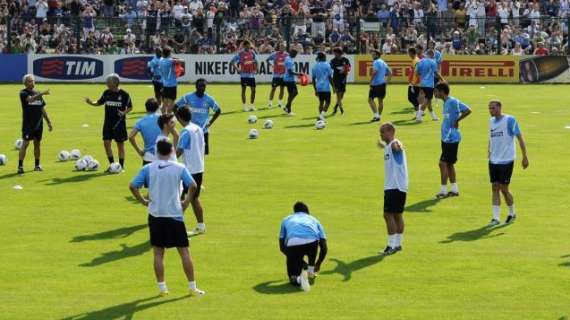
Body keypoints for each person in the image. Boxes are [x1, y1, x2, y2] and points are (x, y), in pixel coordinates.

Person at [129, 139, 205, 297]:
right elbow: (193, 186)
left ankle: (162, 288)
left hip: (156, 215)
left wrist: (143, 201)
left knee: (158, 253)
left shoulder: (148, 168)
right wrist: (185, 202)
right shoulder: (179, 168)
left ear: (157, 152)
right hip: (175, 215)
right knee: (184, 252)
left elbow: (132, 186)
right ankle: (192, 287)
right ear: (171, 151)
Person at [487, 100, 529, 226]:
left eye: (493, 108)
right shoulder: (491, 122)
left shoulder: (510, 120)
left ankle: (512, 213)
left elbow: (520, 137)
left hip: (506, 160)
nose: (491, 110)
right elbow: (491, 138)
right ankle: (495, 218)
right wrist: (488, 152)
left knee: (504, 189)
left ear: (500, 108)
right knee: (494, 187)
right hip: (493, 160)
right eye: (489, 108)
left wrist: (525, 156)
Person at [85, 73, 132, 171]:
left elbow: (130, 107)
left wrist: (123, 112)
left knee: (120, 145)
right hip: (107, 123)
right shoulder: (106, 93)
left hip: (119, 124)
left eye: (108, 82)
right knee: (106, 143)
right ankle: (112, 165)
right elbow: (99, 102)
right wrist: (91, 103)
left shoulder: (124, 94)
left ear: (114, 83)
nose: (106, 83)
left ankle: (121, 166)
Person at [433, 82, 472, 199]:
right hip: (446, 138)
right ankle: (454, 190)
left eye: (436, 91)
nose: (435, 93)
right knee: (449, 164)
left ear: (442, 91)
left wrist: (457, 120)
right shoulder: (446, 102)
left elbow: (468, 110)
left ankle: (443, 191)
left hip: (451, 138)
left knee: (442, 163)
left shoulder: (452, 102)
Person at [279, 201, 328, 292]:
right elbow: (323, 246)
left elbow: (282, 247)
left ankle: (298, 279)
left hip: (293, 243)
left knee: (292, 276)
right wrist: (318, 263)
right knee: (313, 245)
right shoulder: (314, 219)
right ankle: (311, 271)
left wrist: (299, 261)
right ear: (307, 211)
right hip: (312, 243)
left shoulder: (286, 219)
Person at [175, 107, 206, 235]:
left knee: (183, 198)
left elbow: (179, 150)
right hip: (199, 167)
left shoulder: (186, 131)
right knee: (194, 198)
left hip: (189, 170)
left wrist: (167, 161)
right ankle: (201, 225)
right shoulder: (198, 128)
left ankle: (175, 227)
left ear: (179, 118)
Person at [378, 123, 408, 255]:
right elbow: (390, 147)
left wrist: (399, 146)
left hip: (394, 186)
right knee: (397, 215)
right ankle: (398, 244)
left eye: (382, 132)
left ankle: (391, 245)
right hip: (398, 186)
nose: (380, 135)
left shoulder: (395, 143)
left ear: (390, 132)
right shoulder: (388, 145)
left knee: (387, 215)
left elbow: (397, 147)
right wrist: (382, 145)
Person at [174, 79, 221, 155]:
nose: (202, 88)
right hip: (191, 131)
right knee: (190, 152)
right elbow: (175, 107)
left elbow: (218, 111)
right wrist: (180, 121)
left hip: (203, 131)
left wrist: (210, 123)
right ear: (196, 86)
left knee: (203, 153)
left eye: (204, 86)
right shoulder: (188, 97)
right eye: (200, 86)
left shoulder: (209, 99)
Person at [18, 74, 53, 174]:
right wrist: (42, 93)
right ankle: (20, 166)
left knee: (37, 144)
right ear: (25, 83)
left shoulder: (37, 93)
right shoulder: (23, 93)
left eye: (33, 80)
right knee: (25, 143)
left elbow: (42, 109)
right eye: (29, 81)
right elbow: (30, 99)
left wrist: (49, 122)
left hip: (38, 124)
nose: (32, 82)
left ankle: (37, 165)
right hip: (28, 125)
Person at [129, 98, 161, 166]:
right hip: (164, 156)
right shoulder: (163, 119)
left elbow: (131, 136)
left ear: (146, 108)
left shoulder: (141, 121)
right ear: (157, 107)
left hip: (148, 157)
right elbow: (176, 135)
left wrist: (139, 151)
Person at [230, 40, 258, 112]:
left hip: (251, 75)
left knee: (253, 91)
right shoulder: (240, 54)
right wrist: (237, 69)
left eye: (250, 45)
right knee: (243, 91)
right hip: (244, 75)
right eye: (247, 45)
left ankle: (252, 106)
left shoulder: (252, 53)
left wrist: (256, 69)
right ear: (244, 46)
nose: (249, 47)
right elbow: (232, 61)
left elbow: (256, 61)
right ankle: (244, 106)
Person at [415, 49, 441, 122]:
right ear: (432, 55)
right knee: (427, 100)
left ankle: (434, 116)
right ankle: (419, 116)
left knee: (429, 101)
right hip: (429, 84)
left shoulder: (420, 61)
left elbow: (417, 73)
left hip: (422, 84)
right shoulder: (433, 62)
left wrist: (422, 77)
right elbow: (436, 73)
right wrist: (443, 79)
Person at [368, 49, 391, 122]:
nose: (372, 55)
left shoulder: (376, 62)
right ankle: (379, 116)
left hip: (376, 84)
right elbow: (390, 72)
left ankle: (376, 115)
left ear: (377, 55)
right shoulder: (383, 62)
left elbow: (374, 72)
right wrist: (387, 82)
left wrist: (370, 81)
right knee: (380, 100)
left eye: (373, 54)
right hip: (382, 83)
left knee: (370, 99)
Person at [159, 46, 183, 114]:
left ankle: (163, 116)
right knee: (171, 103)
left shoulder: (161, 60)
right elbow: (182, 60)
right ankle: (168, 116)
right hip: (172, 85)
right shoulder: (171, 61)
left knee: (164, 103)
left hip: (165, 85)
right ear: (169, 53)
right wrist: (175, 59)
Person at [311, 52, 334, 122]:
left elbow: (313, 79)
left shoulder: (315, 66)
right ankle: (321, 116)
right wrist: (333, 87)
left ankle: (321, 117)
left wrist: (315, 89)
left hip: (318, 87)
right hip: (326, 87)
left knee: (321, 102)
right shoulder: (327, 65)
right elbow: (330, 77)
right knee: (328, 102)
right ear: (323, 57)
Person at [266, 43, 288, 109]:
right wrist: (271, 65)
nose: (282, 48)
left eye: (283, 47)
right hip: (276, 75)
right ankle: (270, 103)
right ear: (279, 47)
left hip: (283, 75)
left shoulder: (287, 55)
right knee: (273, 89)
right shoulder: (274, 54)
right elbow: (267, 60)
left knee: (282, 89)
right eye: (281, 47)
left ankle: (280, 103)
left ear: (285, 48)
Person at [329, 47, 351, 114]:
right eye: (334, 53)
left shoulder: (345, 60)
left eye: (335, 53)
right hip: (336, 78)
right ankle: (341, 108)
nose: (334, 54)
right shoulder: (333, 60)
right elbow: (330, 67)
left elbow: (349, 67)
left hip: (343, 79)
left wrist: (345, 69)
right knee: (338, 94)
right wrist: (339, 69)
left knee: (342, 94)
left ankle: (336, 106)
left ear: (339, 53)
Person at [283, 49, 302, 116]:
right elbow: (290, 72)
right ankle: (288, 110)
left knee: (294, 93)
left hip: (289, 79)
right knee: (291, 94)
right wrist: (298, 74)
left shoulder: (288, 58)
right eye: (295, 54)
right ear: (292, 53)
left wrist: (297, 75)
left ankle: (287, 107)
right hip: (289, 80)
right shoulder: (289, 60)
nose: (296, 56)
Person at [407, 47, 421, 113]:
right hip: (414, 83)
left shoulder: (416, 61)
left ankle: (419, 112)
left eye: (409, 53)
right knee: (414, 98)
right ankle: (418, 113)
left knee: (411, 98)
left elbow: (417, 73)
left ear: (411, 53)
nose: (408, 55)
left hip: (414, 83)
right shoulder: (416, 60)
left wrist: (413, 83)